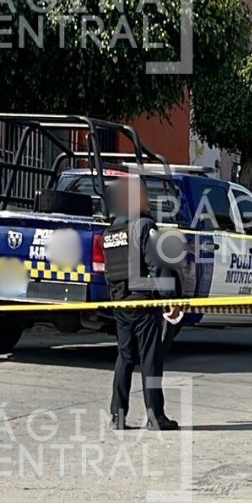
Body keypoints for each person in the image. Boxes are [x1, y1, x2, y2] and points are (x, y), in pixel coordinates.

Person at [101, 177, 181, 432]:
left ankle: (118, 416)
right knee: (150, 359)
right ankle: (156, 416)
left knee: (125, 357)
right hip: (144, 302)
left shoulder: (112, 231)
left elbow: (109, 271)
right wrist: (171, 301)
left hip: (120, 302)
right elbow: (158, 265)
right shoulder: (144, 226)